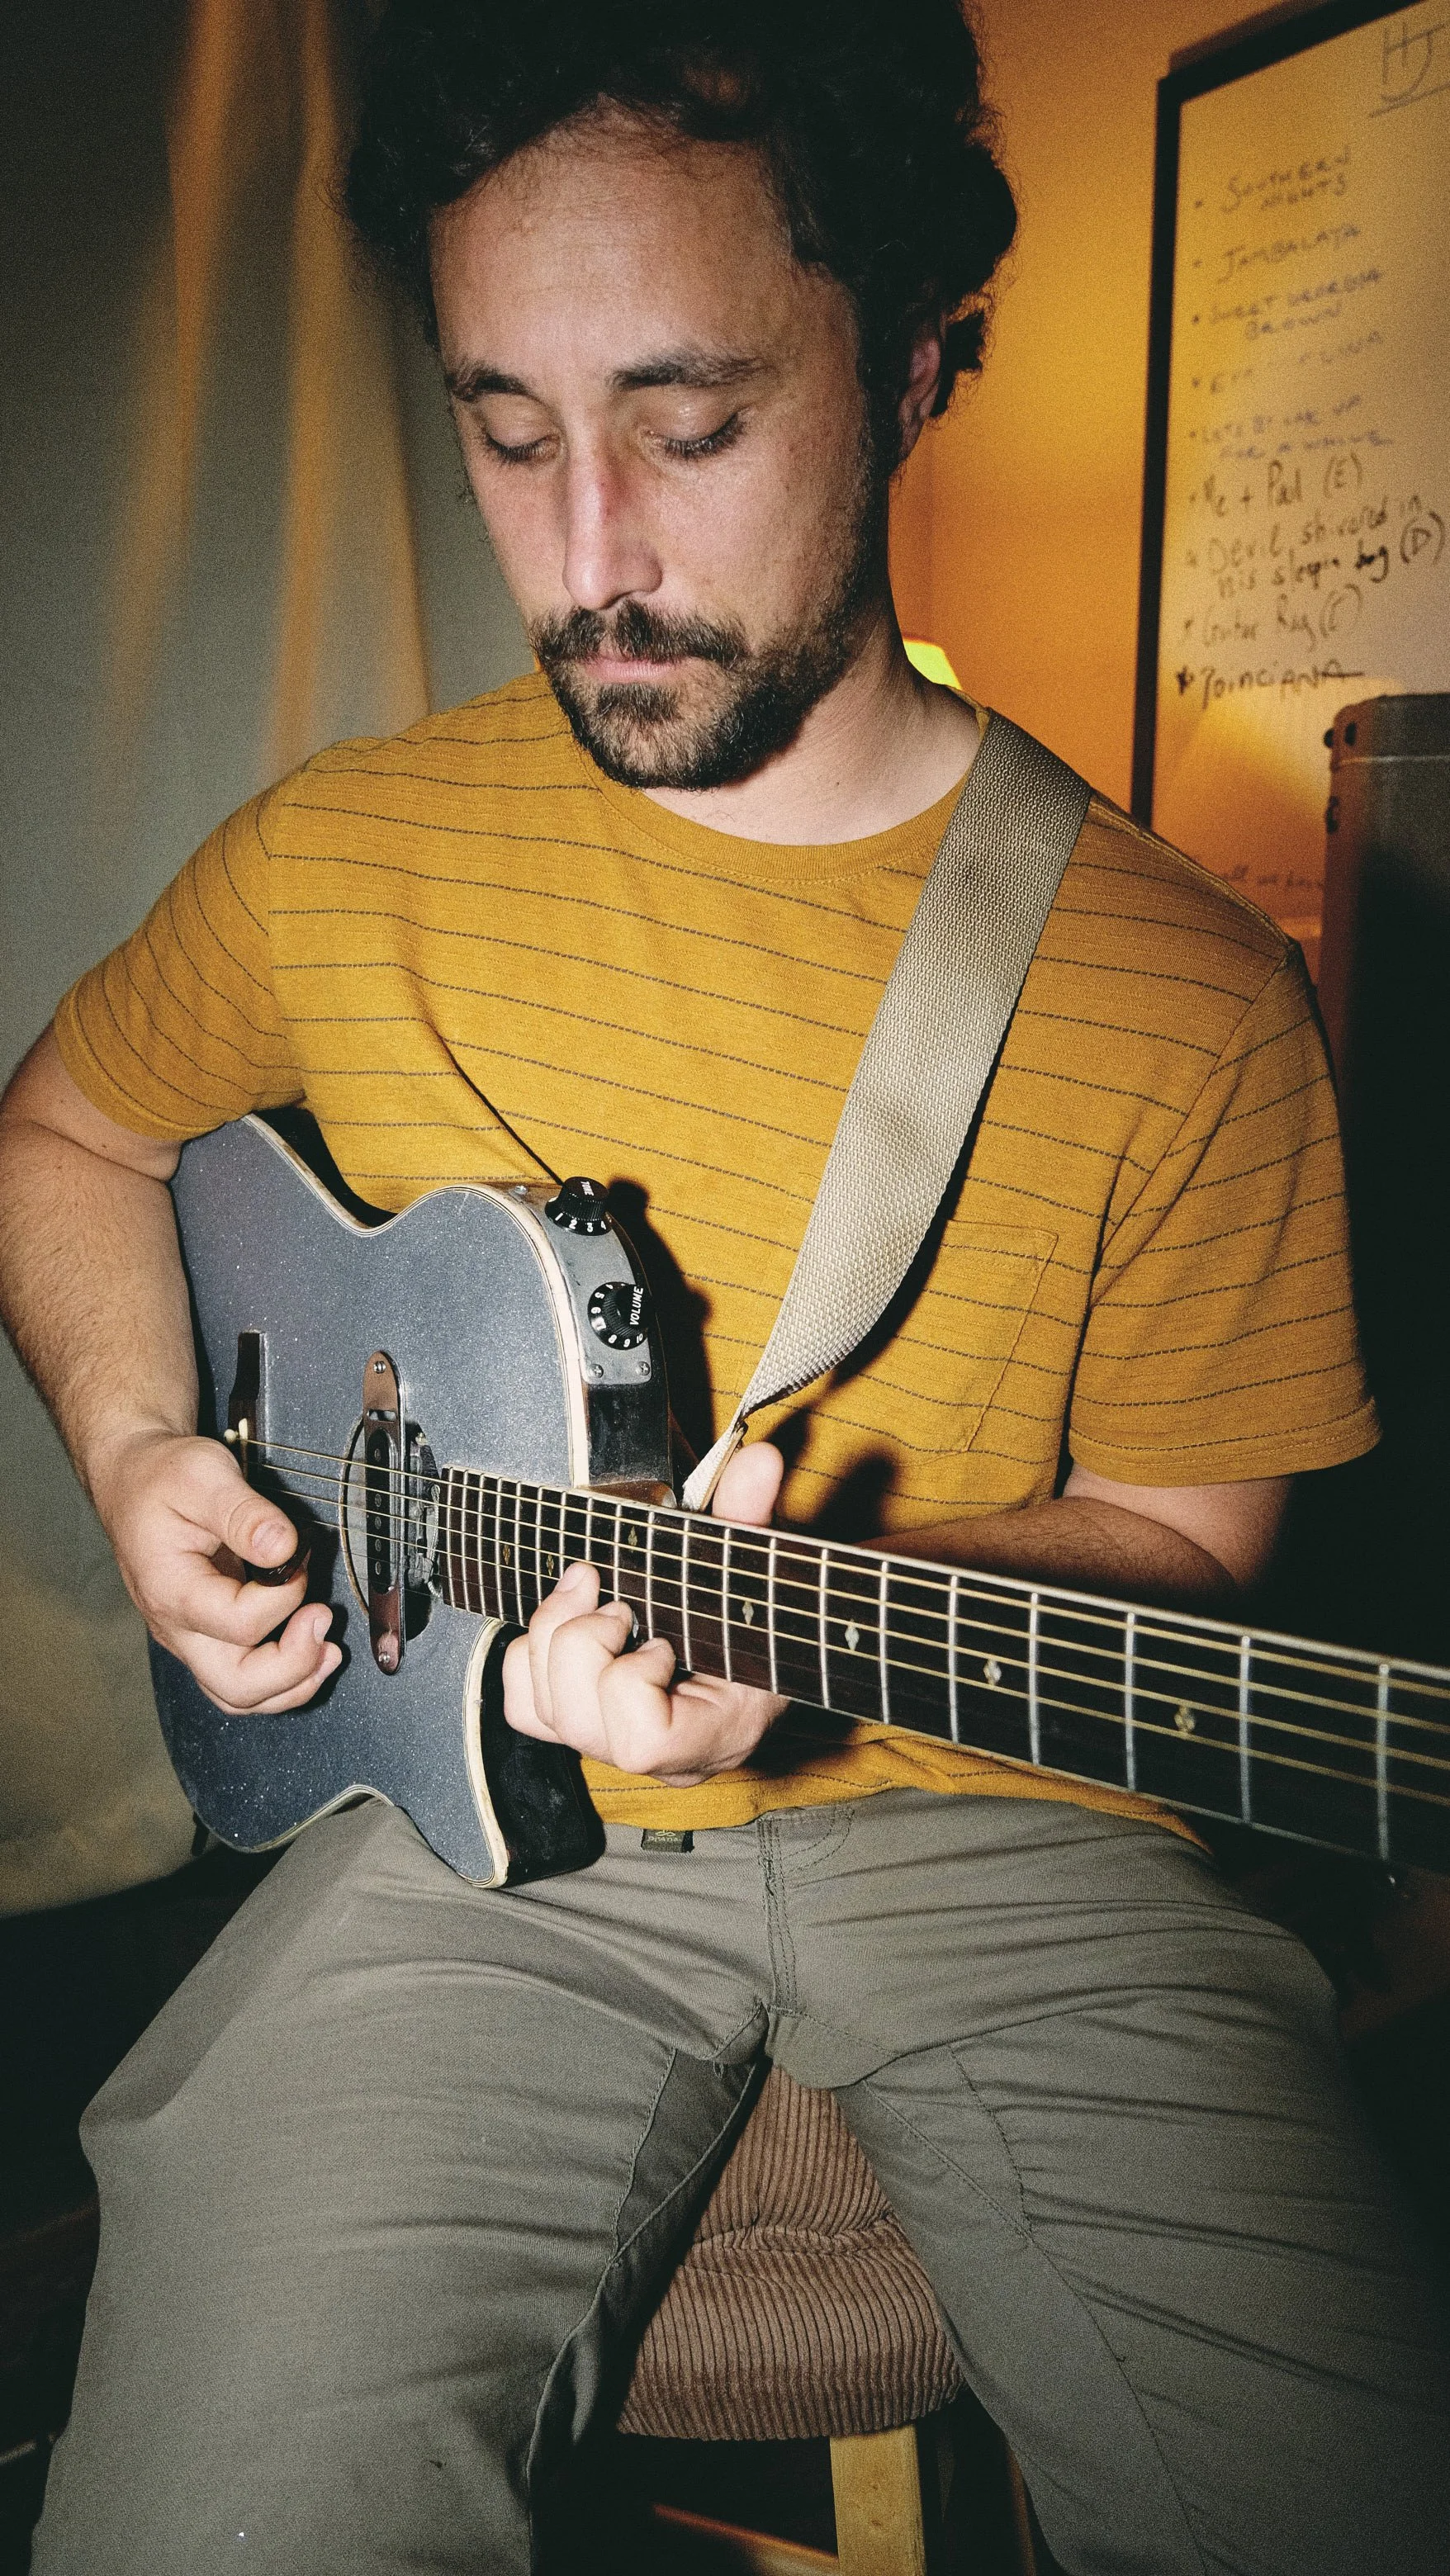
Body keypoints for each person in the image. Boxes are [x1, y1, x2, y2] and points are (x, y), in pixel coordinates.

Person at [2, 1, 1446, 2567]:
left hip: (1027, 1838)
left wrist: (847, 1602)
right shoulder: (341, 855)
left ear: (909, 366)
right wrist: (137, 1448)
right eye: (506, 430)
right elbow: (71, 1131)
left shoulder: (1190, 990)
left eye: (687, 427)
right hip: (459, 1842)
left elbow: (1193, 1549)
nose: (586, 561)